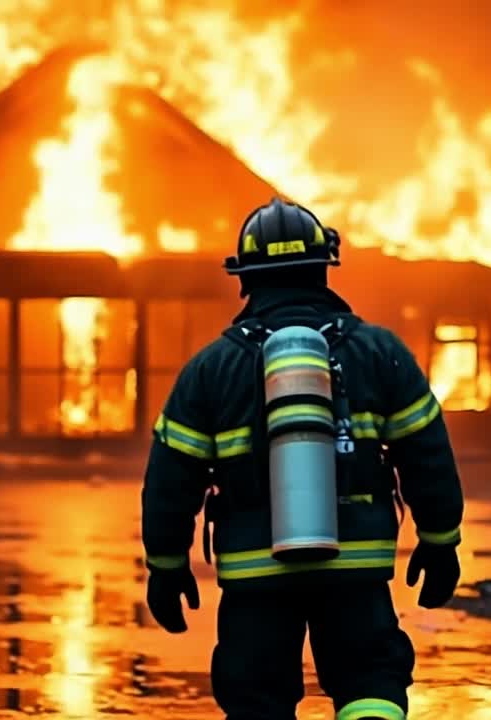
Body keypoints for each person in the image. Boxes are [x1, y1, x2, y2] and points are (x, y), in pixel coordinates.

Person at [141, 197, 464, 720]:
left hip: (255, 573)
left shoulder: (211, 368)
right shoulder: (380, 352)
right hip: (355, 567)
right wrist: (440, 540)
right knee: (371, 683)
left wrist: (166, 565)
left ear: (244, 277)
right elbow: (427, 454)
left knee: (257, 699)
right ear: (324, 268)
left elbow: (170, 481)